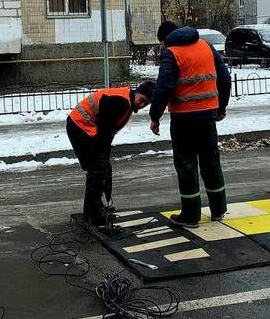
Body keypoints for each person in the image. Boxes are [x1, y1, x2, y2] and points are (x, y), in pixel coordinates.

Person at [149, 21, 231, 227]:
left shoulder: (171, 53)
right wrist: (221, 108)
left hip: (183, 119)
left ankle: (191, 215)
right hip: (208, 116)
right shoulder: (206, 46)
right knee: (211, 161)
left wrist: (155, 116)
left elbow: (164, 87)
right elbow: (225, 78)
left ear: (165, 39)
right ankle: (219, 209)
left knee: (186, 165)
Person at [67, 81, 155, 226]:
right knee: (97, 168)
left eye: (146, 103)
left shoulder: (127, 102)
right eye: (142, 99)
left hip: (84, 127)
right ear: (137, 92)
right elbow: (104, 129)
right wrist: (104, 157)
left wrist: (105, 158)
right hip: (80, 126)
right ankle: (92, 212)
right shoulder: (121, 102)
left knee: (100, 167)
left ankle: (95, 206)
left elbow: (107, 132)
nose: (141, 104)